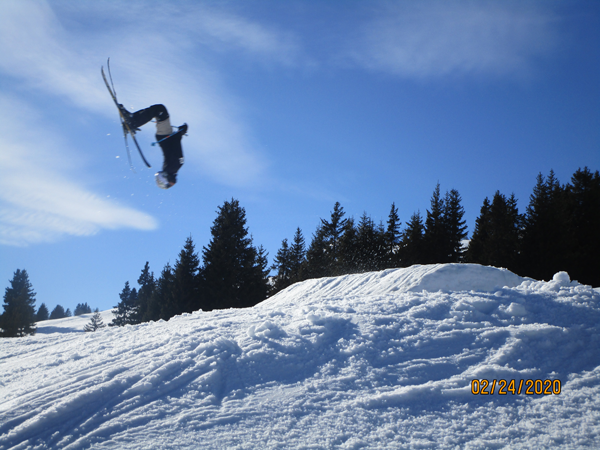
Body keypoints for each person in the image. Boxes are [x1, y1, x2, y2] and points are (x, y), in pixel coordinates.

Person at [119, 104, 187, 189]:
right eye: (161, 182)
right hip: (166, 136)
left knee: (160, 110)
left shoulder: (173, 167)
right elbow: (175, 145)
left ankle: (132, 121)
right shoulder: (173, 167)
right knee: (159, 110)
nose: (172, 184)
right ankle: (132, 120)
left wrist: (180, 132)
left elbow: (175, 144)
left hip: (165, 135)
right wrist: (180, 132)